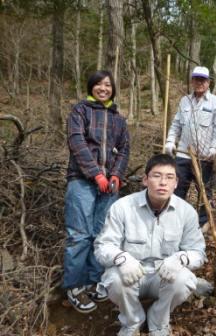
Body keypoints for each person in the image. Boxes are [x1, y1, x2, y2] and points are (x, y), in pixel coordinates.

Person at [94, 154, 206, 336]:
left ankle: (158, 321)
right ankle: (132, 321)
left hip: (163, 275)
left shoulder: (187, 212)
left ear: (176, 183)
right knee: (114, 280)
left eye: (169, 177)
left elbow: (198, 252)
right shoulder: (122, 207)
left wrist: (180, 258)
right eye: (157, 176)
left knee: (184, 280)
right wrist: (121, 259)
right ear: (145, 179)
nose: (163, 182)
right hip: (132, 273)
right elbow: (103, 246)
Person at [63, 70, 130, 313]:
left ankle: (93, 280)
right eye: (99, 85)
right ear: (91, 87)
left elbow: (124, 149)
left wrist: (115, 175)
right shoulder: (80, 111)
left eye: (108, 85)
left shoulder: (118, 119)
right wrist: (95, 173)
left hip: (109, 186)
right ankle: (74, 286)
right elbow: (76, 142)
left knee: (102, 234)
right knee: (79, 234)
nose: (104, 88)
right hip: (82, 181)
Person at [164, 66, 216, 233]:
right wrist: (170, 141)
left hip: (204, 156)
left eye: (203, 80)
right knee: (178, 187)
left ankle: (202, 223)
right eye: (196, 79)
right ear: (192, 81)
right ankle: (175, 220)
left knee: (204, 190)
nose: (199, 83)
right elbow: (176, 124)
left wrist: (213, 148)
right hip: (183, 153)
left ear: (208, 82)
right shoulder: (185, 100)